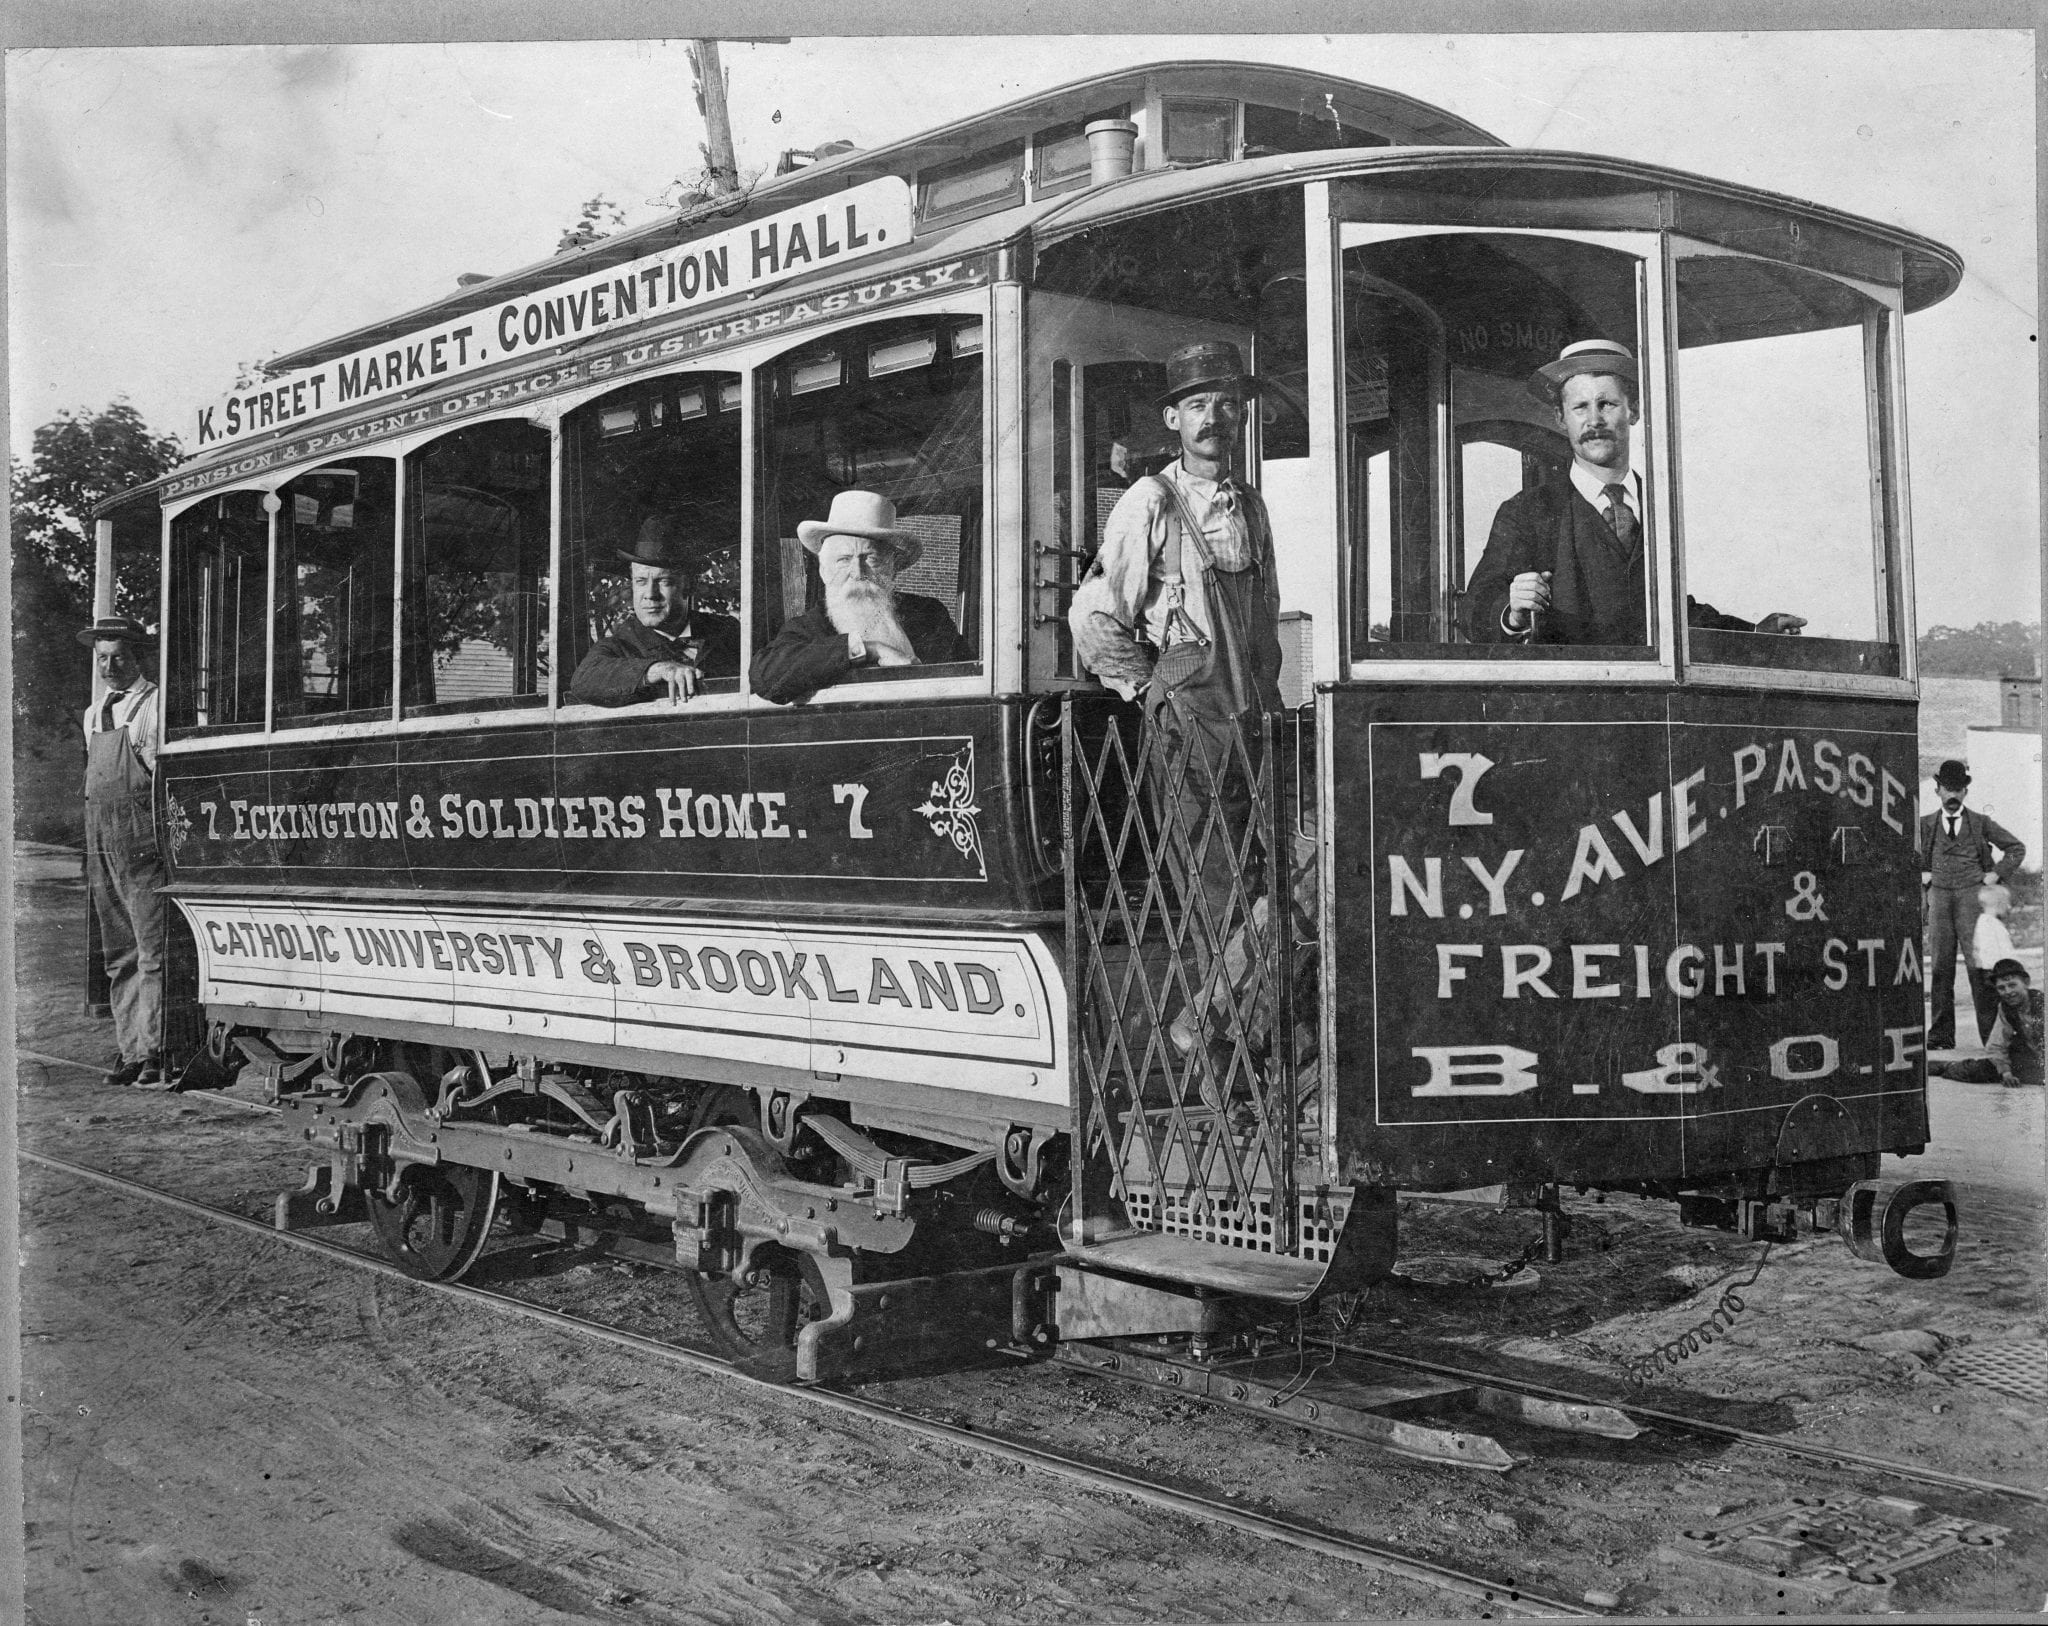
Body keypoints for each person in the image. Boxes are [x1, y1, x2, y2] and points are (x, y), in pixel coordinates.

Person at [1068, 339, 1303, 1096]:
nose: (1214, 417)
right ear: (1173, 419)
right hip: (1193, 728)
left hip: (1257, 720)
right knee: (1215, 892)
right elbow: (1093, 617)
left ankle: (1230, 1034)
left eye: (1226, 401)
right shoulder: (1151, 502)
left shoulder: (1252, 506)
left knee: (1282, 882)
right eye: (1197, 404)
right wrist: (1148, 691)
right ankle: (1219, 1073)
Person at [1462, 339, 1807, 646]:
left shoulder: (1657, 504)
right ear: (1560, 418)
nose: (1594, 420)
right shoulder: (1529, 511)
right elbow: (1474, 610)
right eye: (1580, 407)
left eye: (1607, 404)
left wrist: (1753, 635)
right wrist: (1512, 613)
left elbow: (1673, 613)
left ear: (1634, 411)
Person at [750, 489, 969, 705]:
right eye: (844, 559)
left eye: (870, 558)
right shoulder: (811, 627)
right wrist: (870, 649)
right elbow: (765, 675)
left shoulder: (928, 614)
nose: (857, 571)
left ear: (892, 567)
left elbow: (969, 675)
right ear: (824, 571)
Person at [80, 616, 168, 1087]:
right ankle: (130, 1050)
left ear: (137, 658)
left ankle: (154, 1050)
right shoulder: (95, 714)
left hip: (141, 837)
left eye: (118, 657)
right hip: (100, 839)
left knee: (151, 949)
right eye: (102, 659)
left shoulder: (155, 705)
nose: (110, 666)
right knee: (119, 952)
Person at [565, 515, 741, 705]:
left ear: (689, 585)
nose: (650, 594)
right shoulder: (620, 645)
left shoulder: (727, 631)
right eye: (640, 581)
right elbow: (583, 680)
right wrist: (657, 669)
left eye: (663, 581)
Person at [1917, 758, 2028, 1050]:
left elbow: (2016, 848)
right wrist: (1922, 872)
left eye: (1959, 790)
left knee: (1979, 968)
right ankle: (1940, 1037)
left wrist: (1995, 874)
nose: (1953, 796)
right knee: (1940, 969)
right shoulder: (1924, 825)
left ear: (1966, 792)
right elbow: (1902, 852)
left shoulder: (1981, 823)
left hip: (1972, 899)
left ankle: (1991, 1037)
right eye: (1948, 789)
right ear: (1937, 789)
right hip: (1939, 897)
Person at [1929, 959, 2043, 1088]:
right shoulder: (2005, 1008)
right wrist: (2006, 1073)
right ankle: (1949, 1066)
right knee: (1980, 1070)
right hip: (2024, 1059)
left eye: (2012, 985)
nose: (2008, 992)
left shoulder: (2042, 1003)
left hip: (2039, 1061)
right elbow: (1996, 1045)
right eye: (2001, 988)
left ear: (2026, 983)